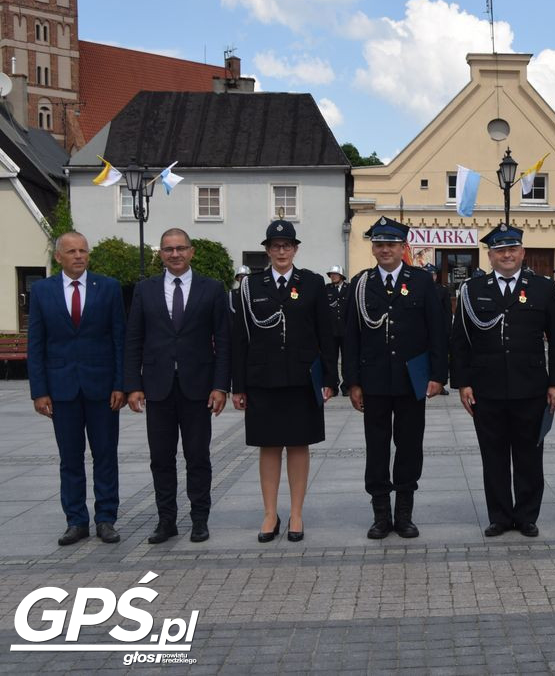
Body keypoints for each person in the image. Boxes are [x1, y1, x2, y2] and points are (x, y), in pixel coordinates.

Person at [451, 223, 555, 537]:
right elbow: (460, 339)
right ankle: (500, 516)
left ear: (522, 252)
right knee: (494, 455)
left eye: (512, 249)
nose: (507, 255)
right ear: (490, 255)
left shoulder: (543, 288)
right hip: (486, 389)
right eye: (500, 250)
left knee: (530, 456)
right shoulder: (473, 290)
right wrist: (463, 383)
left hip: (531, 387)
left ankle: (527, 515)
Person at [232, 219, 338, 542]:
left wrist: (331, 377)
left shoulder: (313, 283)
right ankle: (269, 514)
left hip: (301, 377)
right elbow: (239, 339)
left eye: (287, 246)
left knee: (298, 444)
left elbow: (327, 333)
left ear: (295, 249)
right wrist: (239, 386)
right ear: (267, 250)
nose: (281, 251)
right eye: (275, 246)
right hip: (262, 378)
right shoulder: (249, 287)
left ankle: (295, 513)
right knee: (268, 446)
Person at [124, 228, 231, 544]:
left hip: (198, 388)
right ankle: (166, 521)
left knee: (197, 456)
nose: (175, 254)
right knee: (161, 458)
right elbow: (134, 339)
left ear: (192, 251)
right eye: (168, 249)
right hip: (157, 388)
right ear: (160, 253)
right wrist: (132, 384)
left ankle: (199, 519)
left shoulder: (211, 289)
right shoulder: (145, 290)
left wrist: (221, 385)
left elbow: (223, 341)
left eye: (180, 248)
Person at [344, 218, 448, 539]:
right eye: (379, 243)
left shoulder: (421, 282)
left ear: (404, 248)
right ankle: (380, 515)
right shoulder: (360, 284)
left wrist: (437, 376)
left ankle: (404, 514)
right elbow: (349, 337)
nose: (385, 249)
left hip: (411, 379)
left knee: (409, 446)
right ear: (373, 248)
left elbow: (437, 332)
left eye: (391, 244)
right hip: (373, 379)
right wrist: (352, 382)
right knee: (376, 447)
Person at [27, 231, 126, 546]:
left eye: (83, 250)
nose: (79, 256)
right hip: (61, 389)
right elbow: (36, 343)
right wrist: (39, 391)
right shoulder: (42, 291)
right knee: (70, 458)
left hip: (102, 388)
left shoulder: (108, 288)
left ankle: (106, 518)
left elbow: (119, 340)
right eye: (72, 251)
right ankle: (76, 521)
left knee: (105, 455)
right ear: (59, 257)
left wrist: (120, 384)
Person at [424, 263, 453, 395]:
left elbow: (447, 312)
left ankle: (440, 384)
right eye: (428, 274)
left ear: (436, 276)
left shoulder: (442, 290)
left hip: (439, 330)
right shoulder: (420, 289)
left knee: (440, 357)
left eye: (433, 274)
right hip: (423, 330)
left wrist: (447, 330)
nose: (431, 277)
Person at [325, 265, 349, 393]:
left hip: (346, 330)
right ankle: (333, 386)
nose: (333, 276)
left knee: (347, 359)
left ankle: (346, 386)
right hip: (331, 331)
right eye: (331, 275)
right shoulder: (326, 289)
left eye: (335, 274)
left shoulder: (349, 289)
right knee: (331, 359)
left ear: (341, 276)